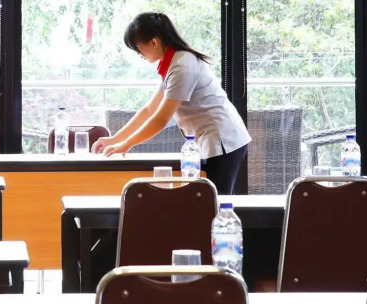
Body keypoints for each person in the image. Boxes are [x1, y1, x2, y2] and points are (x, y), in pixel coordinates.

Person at [92, 12, 251, 194]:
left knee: (214, 202)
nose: (139, 54)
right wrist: (115, 139)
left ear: (154, 42)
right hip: (212, 140)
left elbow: (160, 120)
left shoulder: (183, 65)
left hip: (223, 140)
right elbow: (149, 110)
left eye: (138, 48)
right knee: (207, 201)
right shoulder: (172, 64)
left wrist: (127, 144)